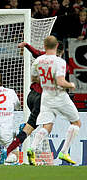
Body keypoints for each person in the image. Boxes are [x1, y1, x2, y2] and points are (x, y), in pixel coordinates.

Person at [27, 35, 81, 166]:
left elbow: (34, 78)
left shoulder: (38, 61)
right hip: (59, 96)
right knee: (76, 123)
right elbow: (61, 82)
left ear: (44, 47)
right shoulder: (59, 62)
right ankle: (64, 151)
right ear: (57, 46)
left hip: (46, 96)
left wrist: (46, 82)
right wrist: (72, 85)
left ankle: (32, 148)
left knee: (47, 127)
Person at [6, 40, 64, 159]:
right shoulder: (60, 63)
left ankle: (12, 148)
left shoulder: (44, 56)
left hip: (31, 96)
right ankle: (31, 148)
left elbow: (36, 52)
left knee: (33, 124)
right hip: (41, 99)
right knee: (46, 125)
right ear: (61, 52)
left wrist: (26, 45)